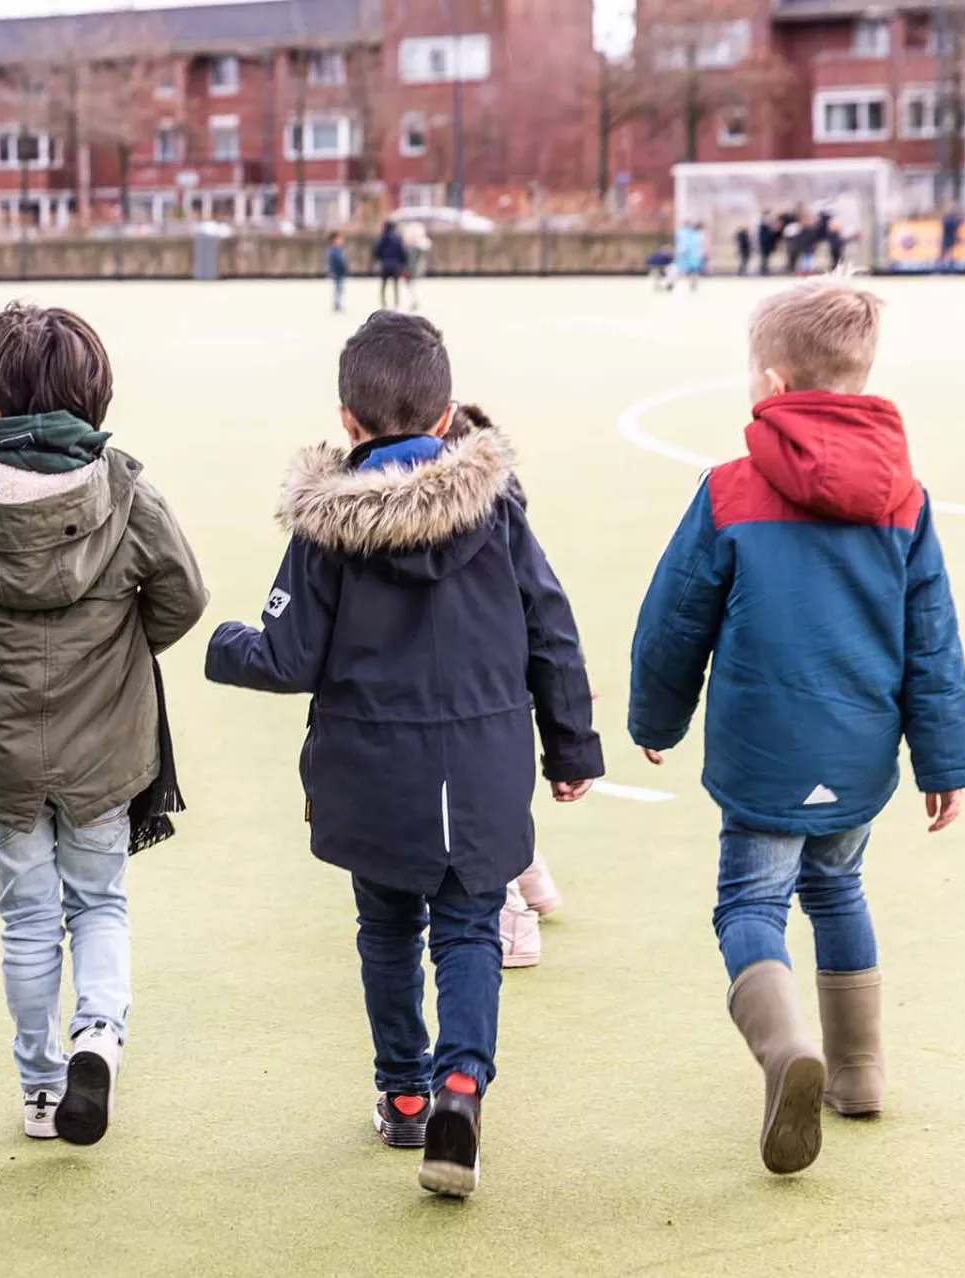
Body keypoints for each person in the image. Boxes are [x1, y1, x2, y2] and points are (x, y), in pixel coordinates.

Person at [204, 311, 603, 1198]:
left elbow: (285, 655)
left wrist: (221, 640)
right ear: (446, 413)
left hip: (372, 767)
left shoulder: (326, 524)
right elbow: (552, 628)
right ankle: (464, 1083)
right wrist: (571, 744)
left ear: (348, 421)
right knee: (469, 928)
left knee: (387, 928)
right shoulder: (498, 508)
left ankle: (406, 1095)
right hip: (485, 759)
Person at [629, 279, 965, 1177]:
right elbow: (931, 640)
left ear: (774, 383)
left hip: (764, 750)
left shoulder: (730, 490)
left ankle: (787, 1050)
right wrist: (945, 761)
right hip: (858, 752)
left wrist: (655, 715)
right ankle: (859, 1073)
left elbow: (675, 623)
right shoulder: (907, 499)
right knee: (838, 890)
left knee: (751, 904)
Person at [0, 303, 208, 1150]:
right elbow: (183, 599)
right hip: (107, 751)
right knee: (101, 903)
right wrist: (118, 646)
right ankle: (99, 1038)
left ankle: (42, 1090)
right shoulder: (124, 489)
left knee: (25, 920)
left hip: (4, 752)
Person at [440, 403, 563, 970]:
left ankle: (514, 919)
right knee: (499, 794)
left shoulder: (467, 521)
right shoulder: (506, 505)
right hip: (507, 686)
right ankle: (532, 878)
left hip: (476, 688)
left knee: (478, 810)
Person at [372, 220, 409, 311]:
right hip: (396, 265)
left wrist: (379, 259)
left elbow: (376, 251)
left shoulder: (382, 238)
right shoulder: (398, 238)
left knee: (384, 285)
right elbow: (402, 251)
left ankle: (384, 304)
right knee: (396, 285)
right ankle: (397, 305)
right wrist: (404, 262)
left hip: (385, 264)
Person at [400, 220, 433, 310]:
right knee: (410, 287)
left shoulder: (415, 248)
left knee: (411, 286)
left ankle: (415, 302)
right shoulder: (415, 247)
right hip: (412, 270)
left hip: (411, 270)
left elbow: (411, 261)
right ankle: (414, 302)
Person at [675, 221, 708, 290]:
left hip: (692, 255)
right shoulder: (697, 235)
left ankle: (692, 282)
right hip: (693, 255)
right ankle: (691, 282)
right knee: (692, 270)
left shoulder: (692, 234)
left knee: (691, 270)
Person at [325, 232, 350, 312]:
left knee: (340, 288)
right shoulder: (334, 250)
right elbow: (336, 261)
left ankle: (338, 302)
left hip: (340, 271)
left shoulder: (338, 249)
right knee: (339, 288)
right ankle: (337, 303)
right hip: (337, 271)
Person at [938, 206, 964, 272]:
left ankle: (951, 269)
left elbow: (957, 223)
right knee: (943, 254)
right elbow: (951, 224)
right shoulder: (946, 218)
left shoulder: (952, 218)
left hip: (951, 239)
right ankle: (939, 268)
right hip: (946, 239)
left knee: (950, 254)